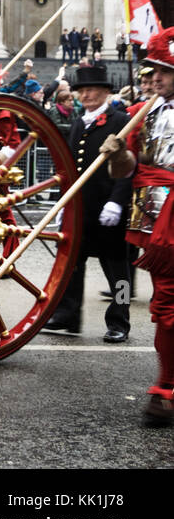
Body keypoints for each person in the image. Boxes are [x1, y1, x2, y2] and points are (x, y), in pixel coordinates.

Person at [102, 26, 174, 424]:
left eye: (164, 70)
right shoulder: (144, 114)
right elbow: (131, 168)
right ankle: (168, 385)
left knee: (170, 303)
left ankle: (167, 387)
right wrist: (118, 155)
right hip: (154, 218)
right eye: (153, 70)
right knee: (166, 302)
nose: (155, 78)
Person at [43, 65, 134, 341]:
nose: (86, 95)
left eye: (92, 89)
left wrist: (117, 202)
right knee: (72, 266)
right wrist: (62, 205)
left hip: (108, 208)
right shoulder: (79, 122)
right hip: (81, 208)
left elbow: (128, 165)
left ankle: (120, 321)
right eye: (82, 90)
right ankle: (68, 315)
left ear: (106, 92)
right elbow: (69, 169)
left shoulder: (120, 120)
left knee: (118, 272)